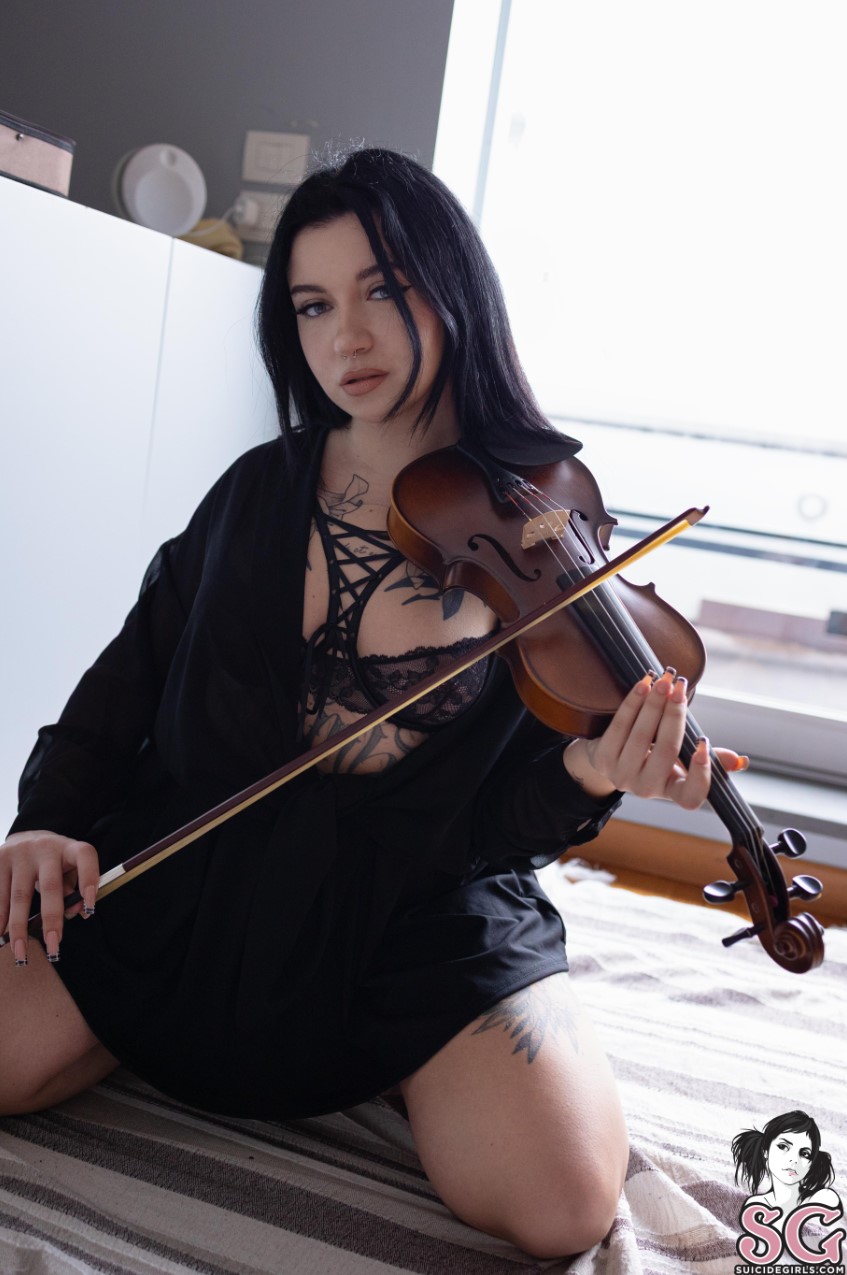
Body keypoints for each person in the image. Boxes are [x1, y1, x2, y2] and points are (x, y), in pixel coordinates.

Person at [0, 147, 745, 1259]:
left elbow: (492, 827)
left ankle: (410, 1055)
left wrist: (591, 773)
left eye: (382, 292)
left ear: (452, 292)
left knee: (561, 1204)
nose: (345, 337)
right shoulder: (258, 489)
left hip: (415, 908)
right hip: (194, 867)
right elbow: (127, 680)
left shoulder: (540, 532)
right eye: (313, 305)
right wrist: (47, 819)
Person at [733, 1111, 839, 1223]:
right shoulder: (756, 1205)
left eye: (805, 1154)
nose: (794, 1160)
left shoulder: (824, 1200)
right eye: (783, 1146)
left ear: (811, 1163)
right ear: (765, 1151)